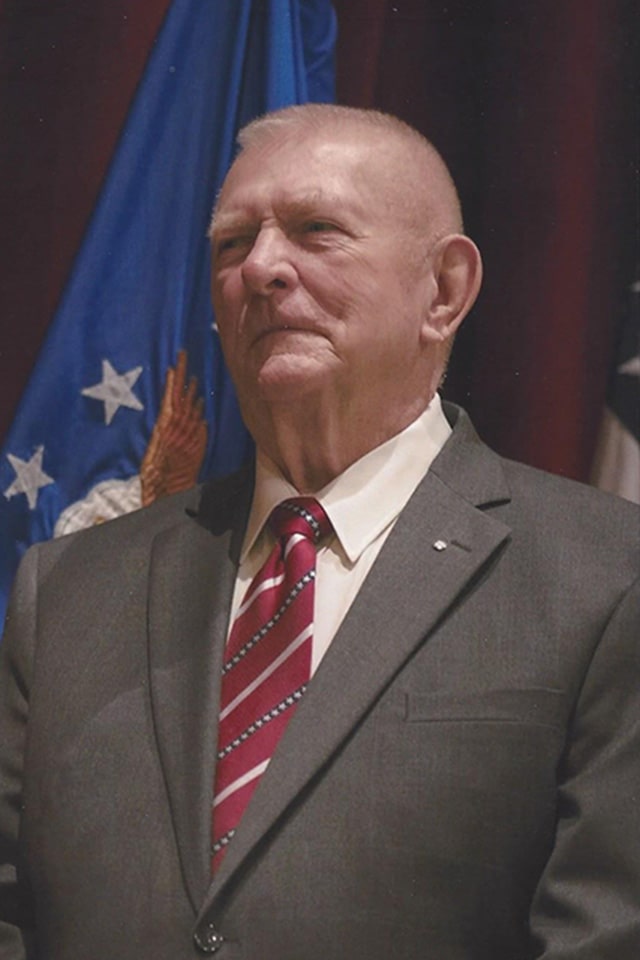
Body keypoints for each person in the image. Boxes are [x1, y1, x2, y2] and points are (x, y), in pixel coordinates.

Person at [0, 104, 638, 959]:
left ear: (443, 292)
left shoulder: (604, 573)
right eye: (232, 243)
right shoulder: (68, 589)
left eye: (317, 230)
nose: (262, 266)